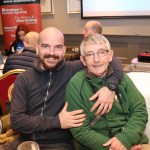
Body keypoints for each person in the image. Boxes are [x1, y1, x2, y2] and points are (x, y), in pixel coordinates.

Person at [0, 27, 122, 150]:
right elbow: (17, 121)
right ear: (37, 49)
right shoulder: (24, 78)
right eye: (46, 46)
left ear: (64, 50)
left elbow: (114, 61)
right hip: (23, 141)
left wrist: (110, 87)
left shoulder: (72, 69)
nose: (51, 52)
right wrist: (57, 121)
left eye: (57, 47)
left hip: (57, 144)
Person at [65, 34, 149, 150]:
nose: (97, 59)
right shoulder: (75, 85)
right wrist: (116, 147)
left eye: (102, 52)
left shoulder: (122, 79)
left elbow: (140, 111)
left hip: (134, 141)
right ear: (83, 60)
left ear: (110, 56)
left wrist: (125, 140)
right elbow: (80, 130)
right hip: (99, 147)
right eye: (89, 54)